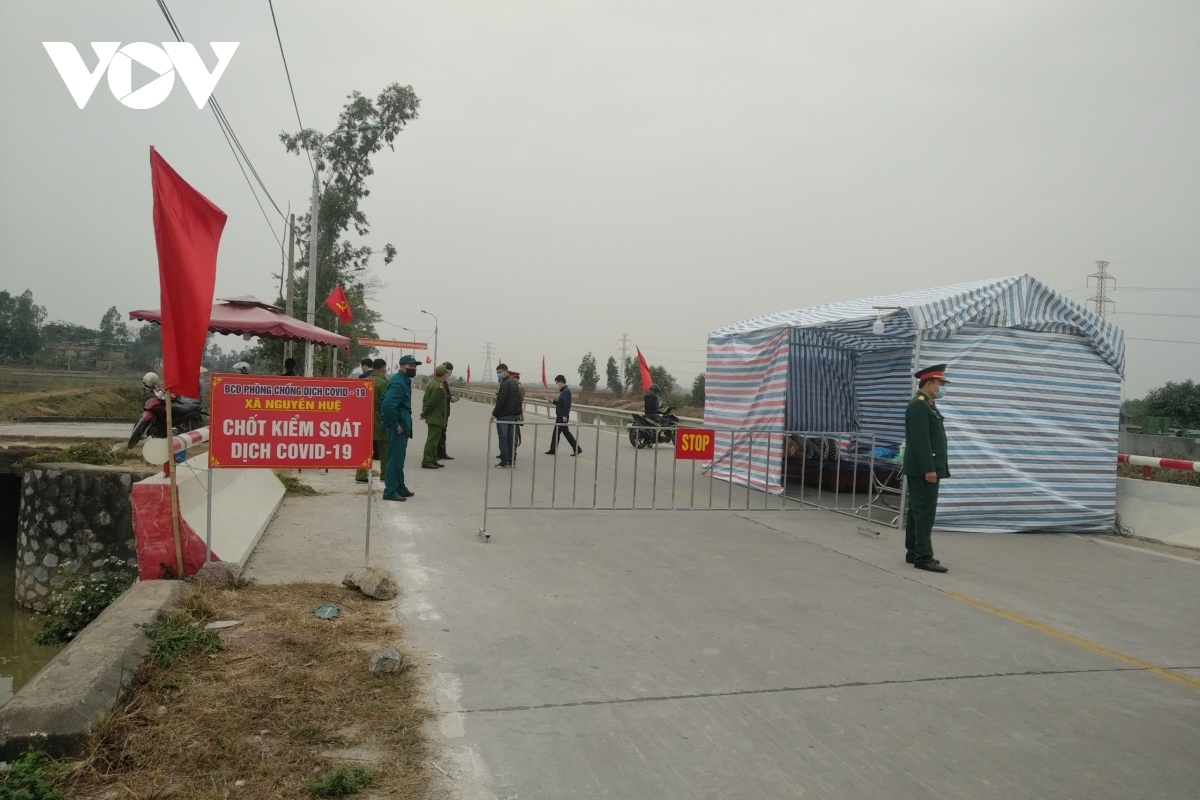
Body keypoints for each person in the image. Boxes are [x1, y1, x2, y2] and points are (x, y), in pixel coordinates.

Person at [902, 364, 951, 573]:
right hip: (924, 469)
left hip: (924, 467)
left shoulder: (927, 404)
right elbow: (921, 441)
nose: (942, 388)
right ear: (929, 384)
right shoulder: (919, 406)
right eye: (940, 384)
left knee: (917, 511)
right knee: (925, 513)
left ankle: (914, 551)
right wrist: (929, 469)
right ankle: (923, 556)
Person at [381, 355, 420, 500]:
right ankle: (390, 491)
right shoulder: (398, 383)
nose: (413, 368)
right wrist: (395, 424)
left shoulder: (402, 380)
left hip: (401, 423)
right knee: (394, 459)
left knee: (399, 458)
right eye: (410, 366)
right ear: (402, 367)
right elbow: (387, 405)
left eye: (415, 366)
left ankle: (399, 487)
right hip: (398, 426)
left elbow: (383, 399)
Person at [355, 358, 389, 483]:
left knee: (365, 447)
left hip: (364, 417)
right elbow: (385, 403)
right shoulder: (384, 383)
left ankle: (360, 474)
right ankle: (385, 474)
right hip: (379, 417)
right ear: (382, 368)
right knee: (384, 448)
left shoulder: (363, 381)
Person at [490, 363, 521, 467]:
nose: (499, 375)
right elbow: (518, 400)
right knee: (511, 439)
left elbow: (501, 400)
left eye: (500, 373)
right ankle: (512, 461)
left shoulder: (504, 384)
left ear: (506, 371)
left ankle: (504, 460)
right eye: (498, 373)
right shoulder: (514, 383)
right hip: (512, 415)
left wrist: (494, 414)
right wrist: (518, 413)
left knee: (503, 438)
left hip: (503, 415)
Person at [420, 364, 449, 469]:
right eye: (447, 374)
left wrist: (425, 412)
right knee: (432, 440)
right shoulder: (439, 386)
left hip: (434, 417)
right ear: (444, 374)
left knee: (434, 439)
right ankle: (427, 460)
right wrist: (424, 413)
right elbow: (432, 402)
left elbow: (425, 400)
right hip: (436, 417)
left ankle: (433, 459)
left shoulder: (432, 384)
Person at [546, 375, 582, 456]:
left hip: (562, 416)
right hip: (560, 416)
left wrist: (565, 415)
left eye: (557, 383)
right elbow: (561, 403)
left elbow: (567, 405)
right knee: (557, 433)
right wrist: (553, 401)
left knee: (566, 433)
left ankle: (577, 449)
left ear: (561, 382)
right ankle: (553, 449)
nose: (557, 385)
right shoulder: (564, 391)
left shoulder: (566, 391)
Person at [437, 362, 459, 461]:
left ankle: (442, 453)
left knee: (442, 433)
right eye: (448, 373)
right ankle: (436, 454)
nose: (448, 375)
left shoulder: (444, 382)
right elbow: (439, 396)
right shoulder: (439, 383)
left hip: (444, 411)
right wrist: (450, 398)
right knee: (437, 434)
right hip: (440, 412)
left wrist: (450, 397)